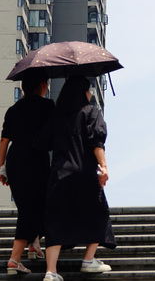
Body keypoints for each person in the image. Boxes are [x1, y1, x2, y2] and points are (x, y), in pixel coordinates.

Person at [35, 75, 116, 281]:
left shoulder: (56, 116)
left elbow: (42, 143)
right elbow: (97, 142)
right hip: (85, 174)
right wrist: (104, 167)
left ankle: (51, 272)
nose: (90, 94)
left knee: (55, 221)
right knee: (98, 213)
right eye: (88, 90)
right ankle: (88, 259)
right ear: (82, 93)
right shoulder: (91, 113)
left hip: (60, 175)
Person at [0, 68, 55, 275]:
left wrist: (1, 166)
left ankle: (34, 245)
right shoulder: (48, 106)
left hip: (15, 159)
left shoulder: (13, 110)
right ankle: (14, 259)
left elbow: (5, 140)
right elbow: (53, 136)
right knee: (34, 206)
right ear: (42, 86)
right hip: (36, 159)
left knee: (29, 204)